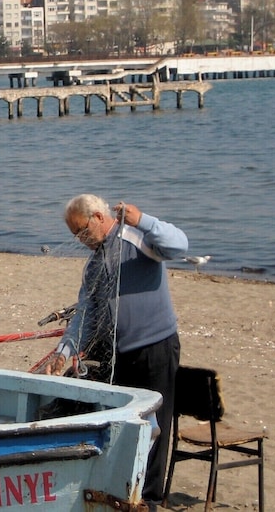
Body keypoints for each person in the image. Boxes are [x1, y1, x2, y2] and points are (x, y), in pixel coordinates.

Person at [46, 194, 187, 507]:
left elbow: (180, 246)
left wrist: (144, 220)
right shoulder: (95, 263)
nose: (81, 240)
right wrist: (65, 350)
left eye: (83, 231)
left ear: (98, 217)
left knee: (155, 426)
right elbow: (86, 312)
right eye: (75, 236)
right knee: (125, 423)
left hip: (155, 345)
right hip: (119, 352)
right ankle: (124, 490)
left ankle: (149, 499)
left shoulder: (136, 237)